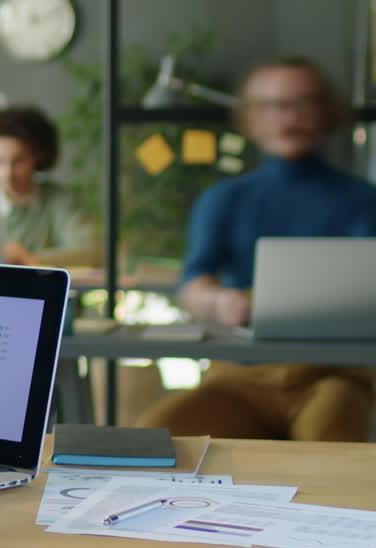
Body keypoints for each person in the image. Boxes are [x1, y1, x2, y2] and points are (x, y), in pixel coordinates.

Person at [137, 55, 376, 441]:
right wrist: (218, 301)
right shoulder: (224, 199)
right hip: (238, 376)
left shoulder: (365, 201)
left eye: (304, 103)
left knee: (326, 437)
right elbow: (194, 283)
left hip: (335, 375)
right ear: (251, 116)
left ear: (326, 111)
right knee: (156, 433)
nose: (290, 117)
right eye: (274, 105)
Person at [0, 105, 98, 267]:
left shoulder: (62, 201)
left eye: (18, 161)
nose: (8, 173)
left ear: (37, 157)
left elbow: (91, 253)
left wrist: (27, 257)